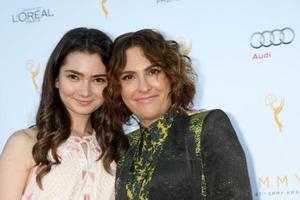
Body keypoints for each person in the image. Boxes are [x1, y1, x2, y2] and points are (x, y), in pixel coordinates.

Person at [106, 29, 253, 200]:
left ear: (171, 76)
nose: (143, 87)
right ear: (117, 88)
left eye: (153, 72)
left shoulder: (206, 128)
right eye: (128, 77)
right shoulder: (125, 147)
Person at [0, 27, 127, 200]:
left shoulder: (118, 147)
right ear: (56, 79)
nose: (85, 91)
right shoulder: (25, 143)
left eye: (98, 80)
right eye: (74, 77)